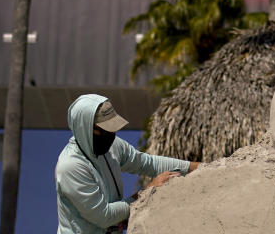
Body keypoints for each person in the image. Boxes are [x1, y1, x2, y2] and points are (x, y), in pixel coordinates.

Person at [56, 93, 200, 233]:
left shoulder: (114, 146)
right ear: (87, 129)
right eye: (105, 129)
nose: (111, 135)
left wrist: (196, 167)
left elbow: (147, 163)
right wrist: (147, 191)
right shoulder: (71, 166)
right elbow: (104, 217)